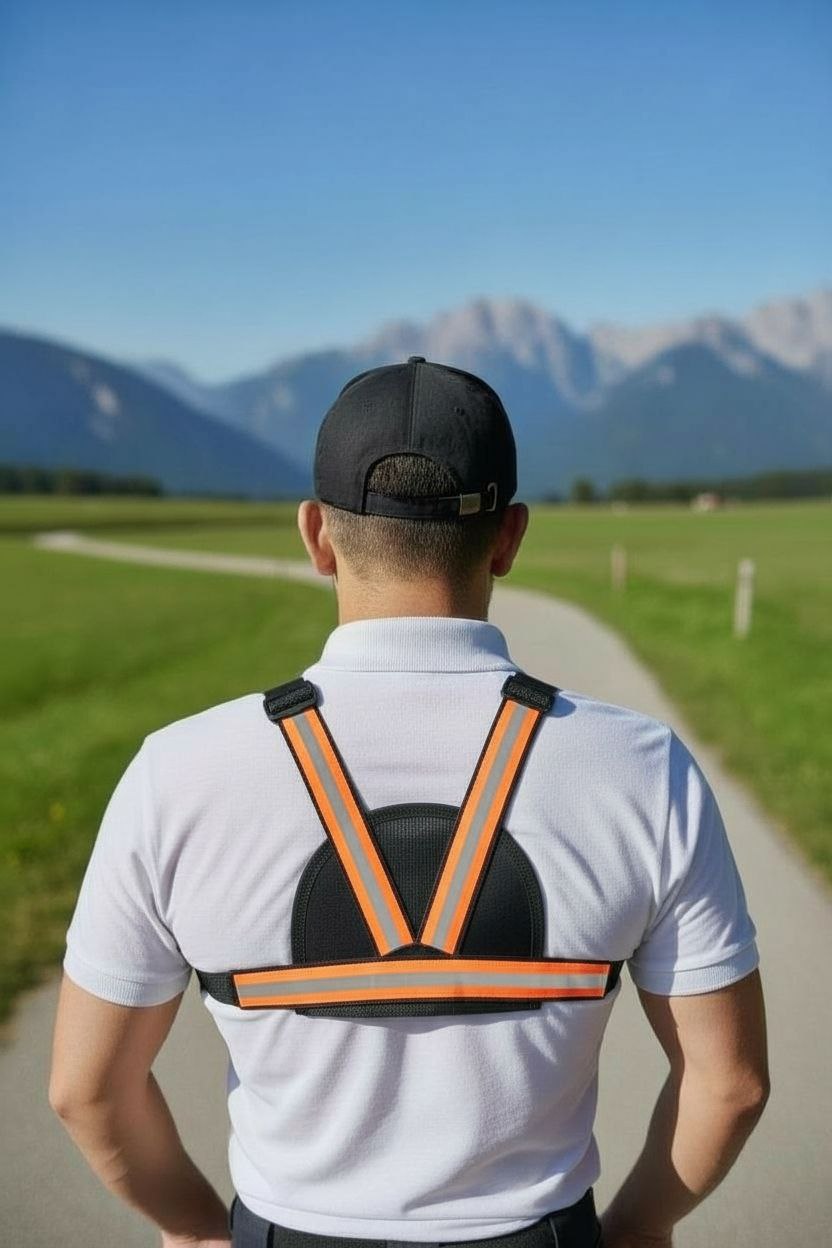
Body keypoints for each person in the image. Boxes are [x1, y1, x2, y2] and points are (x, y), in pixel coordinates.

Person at [49, 356, 769, 1248]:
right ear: (509, 538)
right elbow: (730, 1084)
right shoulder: (643, 768)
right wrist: (636, 1230)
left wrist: (198, 1229)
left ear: (316, 536)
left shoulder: (178, 772)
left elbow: (86, 1089)